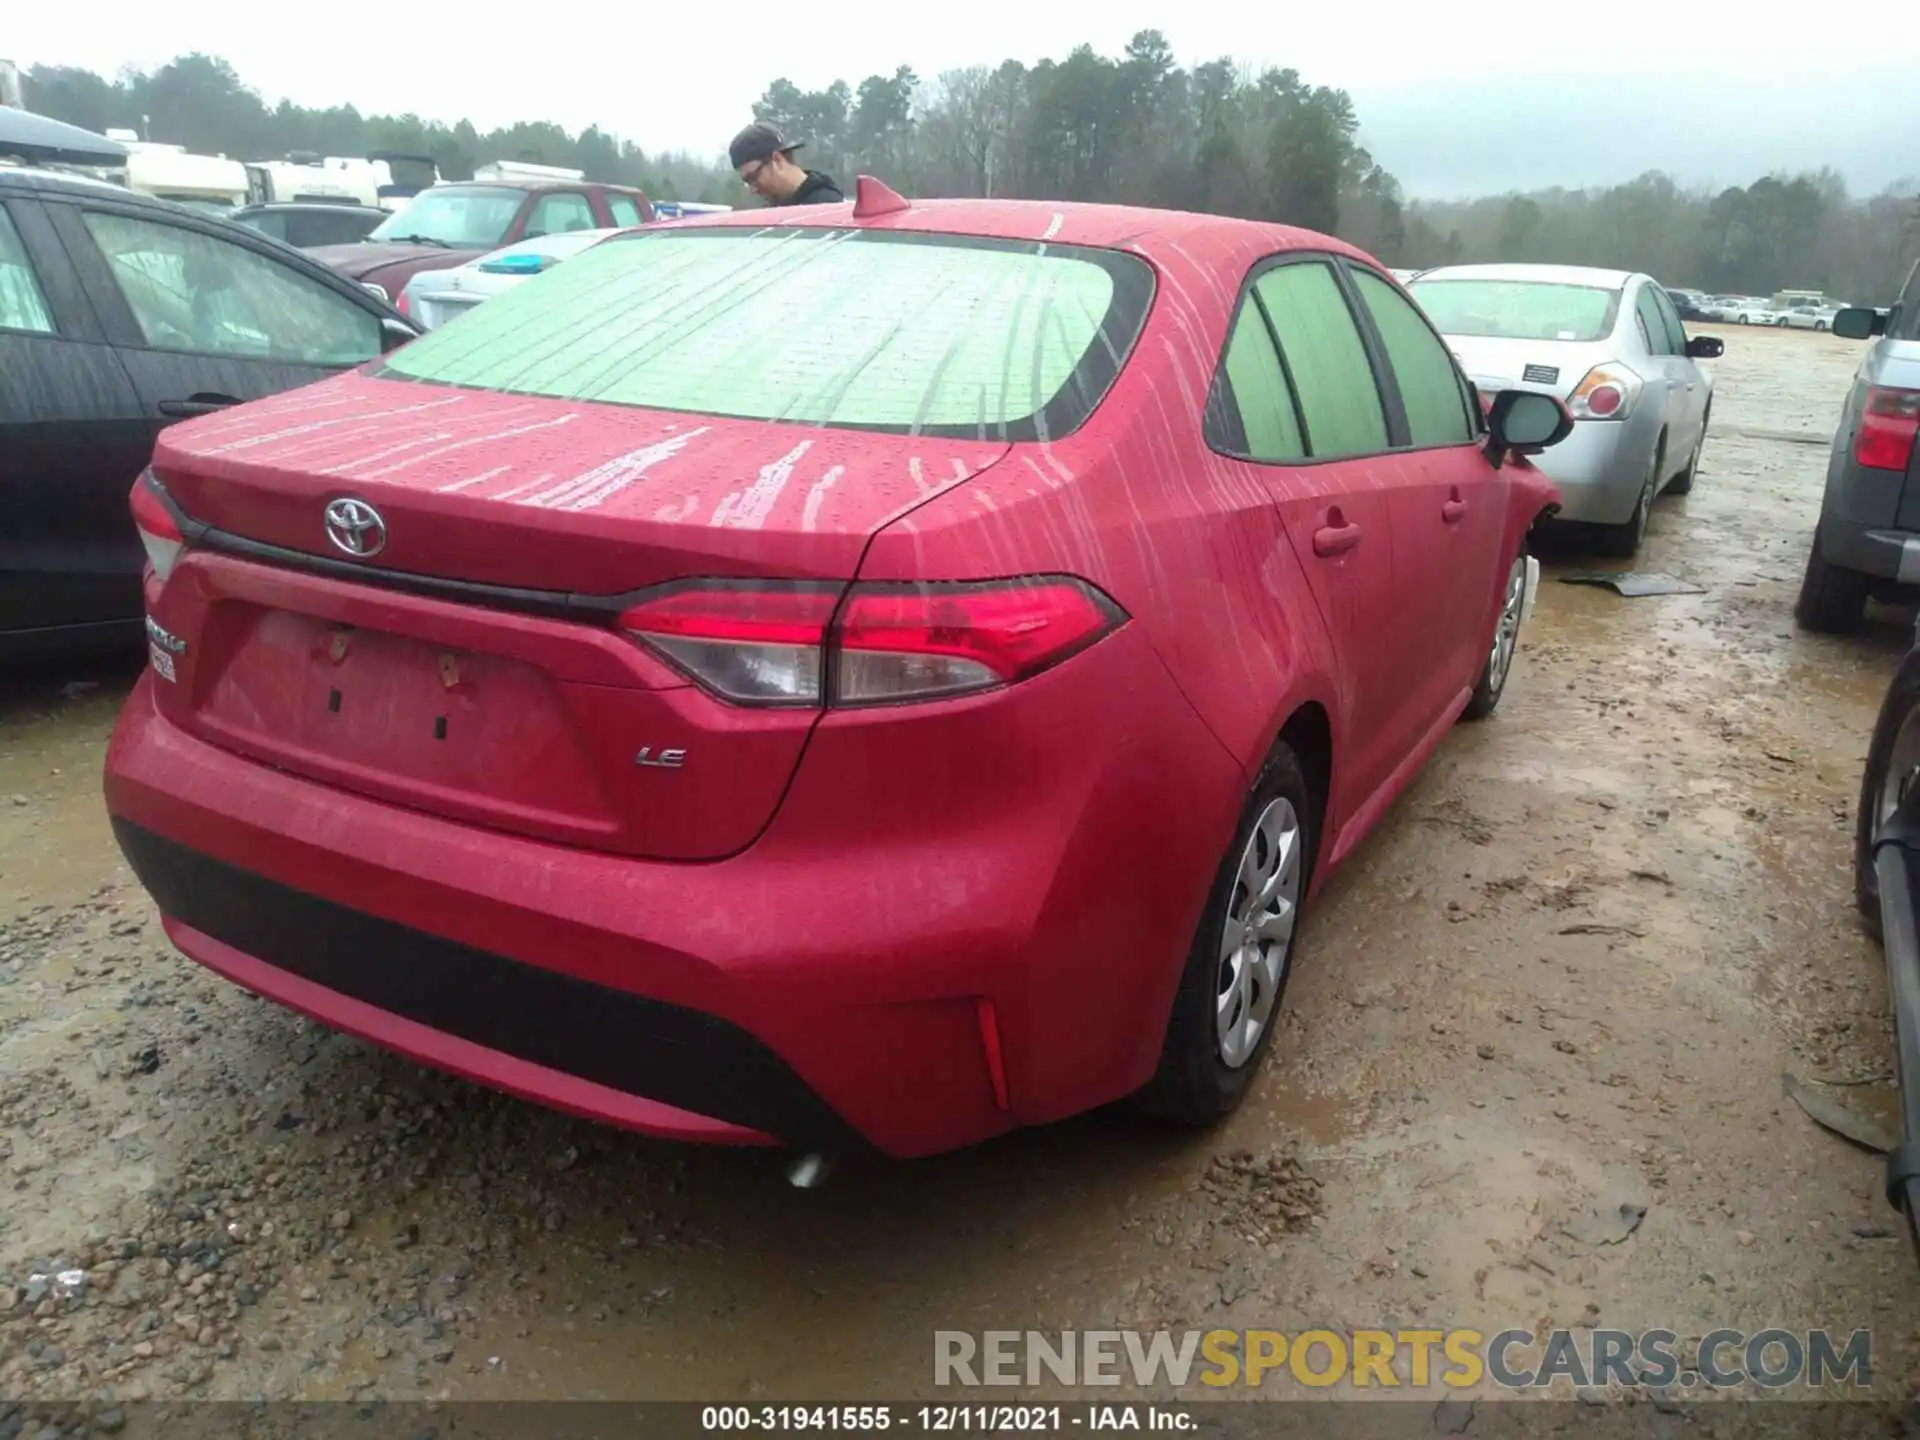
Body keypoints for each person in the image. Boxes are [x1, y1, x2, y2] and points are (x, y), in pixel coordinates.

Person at [728, 123, 844, 207]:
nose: (752, 190)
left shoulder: (824, 208)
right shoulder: (778, 208)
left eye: (753, 178)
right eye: (747, 183)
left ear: (777, 160)